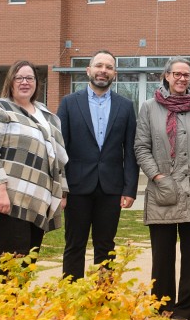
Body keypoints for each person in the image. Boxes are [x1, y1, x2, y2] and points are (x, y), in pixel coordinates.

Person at [134, 57, 190, 320]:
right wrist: (158, 176)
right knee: (162, 256)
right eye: (177, 74)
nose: (183, 79)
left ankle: (186, 308)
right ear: (167, 76)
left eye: (187, 75)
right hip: (163, 191)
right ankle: (162, 306)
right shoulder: (149, 107)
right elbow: (141, 147)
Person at [0, 61, 68, 275]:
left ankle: (17, 308)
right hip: (7, 202)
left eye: (30, 78)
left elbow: (58, 157)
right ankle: (1, 308)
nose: (25, 82)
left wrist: (62, 192)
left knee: (26, 266)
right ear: (11, 81)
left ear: (37, 84)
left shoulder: (48, 116)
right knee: (9, 265)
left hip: (36, 203)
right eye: (20, 78)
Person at [57, 50, 140, 280]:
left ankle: (103, 299)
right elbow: (59, 149)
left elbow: (130, 151)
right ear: (89, 70)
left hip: (111, 188)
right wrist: (60, 189)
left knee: (105, 247)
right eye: (99, 66)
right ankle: (71, 299)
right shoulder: (69, 103)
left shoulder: (125, 106)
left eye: (109, 67)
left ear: (114, 73)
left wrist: (129, 188)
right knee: (75, 245)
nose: (103, 71)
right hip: (76, 188)